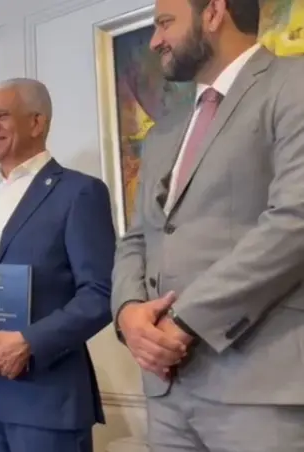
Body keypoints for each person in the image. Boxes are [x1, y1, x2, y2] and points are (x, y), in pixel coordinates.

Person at [112, 0, 304, 450]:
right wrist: (128, 312)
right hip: (166, 391)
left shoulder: (293, 84)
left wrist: (184, 321)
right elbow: (137, 237)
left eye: (164, 23)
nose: (155, 40)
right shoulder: (163, 131)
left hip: (258, 388)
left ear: (214, 12)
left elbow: (295, 220)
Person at [0, 79, 114, 452]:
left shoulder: (79, 192)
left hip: (47, 398)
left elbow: (101, 294)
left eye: (1, 116)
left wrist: (30, 343)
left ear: (36, 122)